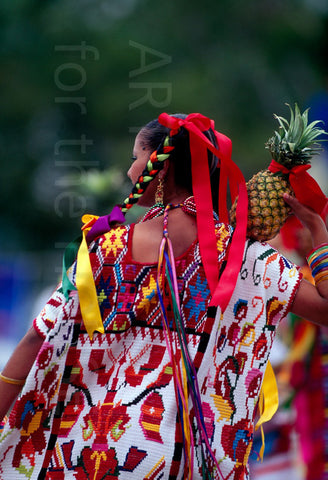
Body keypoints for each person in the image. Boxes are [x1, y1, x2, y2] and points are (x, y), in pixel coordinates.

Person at [0, 112, 327, 480]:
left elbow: (35, 337)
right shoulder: (244, 259)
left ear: (161, 167)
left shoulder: (101, 250)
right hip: (181, 462)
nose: (129, 171)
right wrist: (319, 233)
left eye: (135, 158)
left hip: (90, 454)